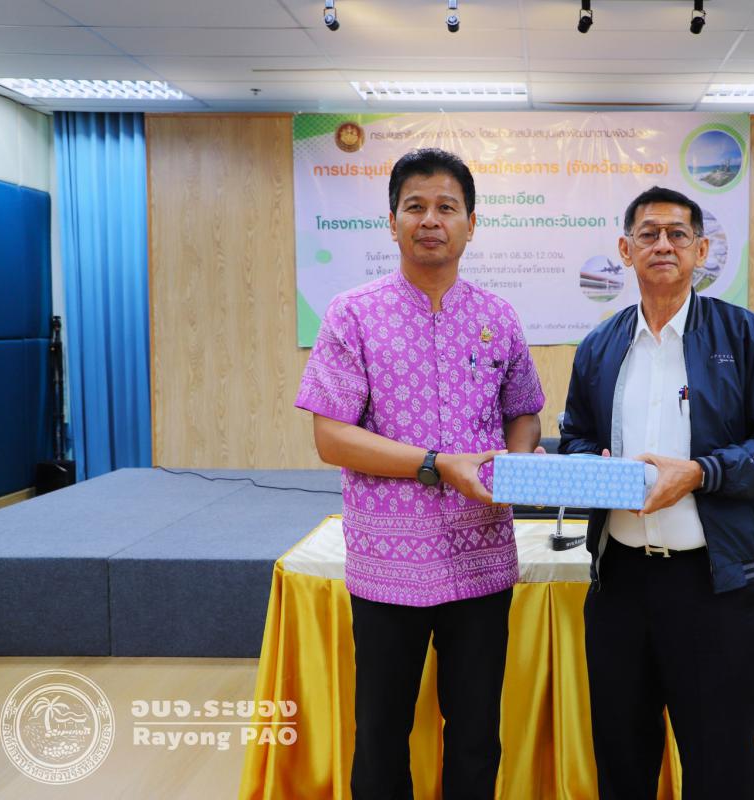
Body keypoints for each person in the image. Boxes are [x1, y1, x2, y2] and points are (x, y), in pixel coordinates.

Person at [295, 148, 544, 800]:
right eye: (415, 206)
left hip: (480, 556)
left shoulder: (498, 316)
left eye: (446, 207)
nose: (430, 220)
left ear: (471, 224)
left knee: (476, 734)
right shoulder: (353, 313)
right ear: (392, 221)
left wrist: (519, 460)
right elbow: (330, 436)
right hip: (387, 563)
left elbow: (524, 411)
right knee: (382, 733)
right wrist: (435, 465)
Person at [559, 186, 754, 799]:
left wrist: (699, 473)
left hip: (712, 587)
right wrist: (590, 465)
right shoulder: (599, 346)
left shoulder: (746, 337)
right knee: (621, 757)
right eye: (648, 234)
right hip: (619, 585)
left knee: (719, 762)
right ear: (626, 250)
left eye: (677, 234)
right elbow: (576, 437)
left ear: (701, 250)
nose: (663, 245)